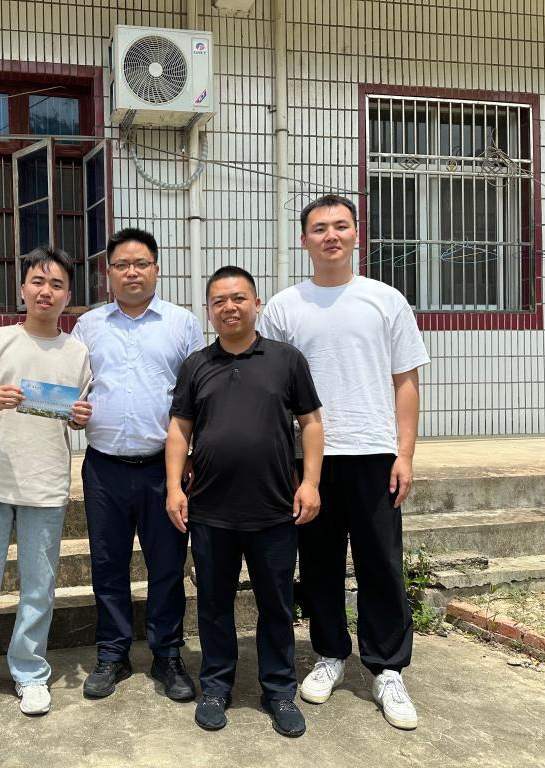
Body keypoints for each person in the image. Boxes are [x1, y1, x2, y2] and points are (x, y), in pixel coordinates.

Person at [259, 194, 431, 731]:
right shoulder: (284, 306)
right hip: (310, 460)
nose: (330, 235)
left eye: (340, 226)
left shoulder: (385, 300)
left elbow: (406, 381)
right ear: (304, 240)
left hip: (374, 452)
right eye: (319, 228)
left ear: (357, 233)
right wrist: (285, 463)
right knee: (319, 563)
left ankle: (387, 668)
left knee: (382, 561)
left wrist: (405, 454)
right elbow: (272, 389)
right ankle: (330, 653)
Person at [165, 266, 324, 737]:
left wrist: (311, 483)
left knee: (276, 604)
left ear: (256, 304)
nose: (229, 308)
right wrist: (174, 488)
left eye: (238, 298)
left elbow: (311, 423)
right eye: (219, 301)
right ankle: (216, 686)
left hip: (273, 508)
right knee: (214, 605)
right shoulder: (196, 365)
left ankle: (279, 690)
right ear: (208, 310)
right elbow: (179, 430)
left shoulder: (286, 360)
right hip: (211, 510)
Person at [0, 246, 93, 723]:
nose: (46, 291)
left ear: (68, 295)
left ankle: (30, 673)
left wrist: (79, 418)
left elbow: (74, 416)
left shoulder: (77, 352)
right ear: (22, 288)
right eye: (38, 282)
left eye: (57, 284)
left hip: (45, 484)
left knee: (39, 588)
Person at [71, 228, 204, 701]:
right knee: (107, 564)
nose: (132, 272)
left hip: (162, 470)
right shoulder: (88, 326)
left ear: (156, 269)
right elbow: (74, 387)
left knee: (166, 566)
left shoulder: (182, 323)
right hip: (103, 467)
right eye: (122, 265)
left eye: (141, 263)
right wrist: (70, 411)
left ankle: (167, 654)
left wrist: (191, 457)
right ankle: (112, 653)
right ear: (108, 272)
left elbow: (197, 395)